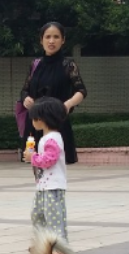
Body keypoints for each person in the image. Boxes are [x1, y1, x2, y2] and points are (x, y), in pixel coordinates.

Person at [20, 21, 87, 165]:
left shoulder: (68, 65)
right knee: (35, 164)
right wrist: (26, 98)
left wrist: (67, 104)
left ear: (63, 40)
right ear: (41, 40)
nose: (51, 41)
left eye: (56, 37)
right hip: (36, 122)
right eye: (47, 37)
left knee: (56, 165)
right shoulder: (35, 64)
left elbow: (81, 91)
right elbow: (25, 90)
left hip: (57, 122)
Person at [24, 97, 69, 240]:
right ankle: (43, 243)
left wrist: (33, 158)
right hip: (44, 186)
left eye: (34, 118)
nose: (32, 121)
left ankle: (59, 246)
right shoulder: (47, 138)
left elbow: (49, 159)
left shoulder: (52, 138)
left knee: (53, 218)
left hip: (53, 186)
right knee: (38, 214)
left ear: (43, 119)